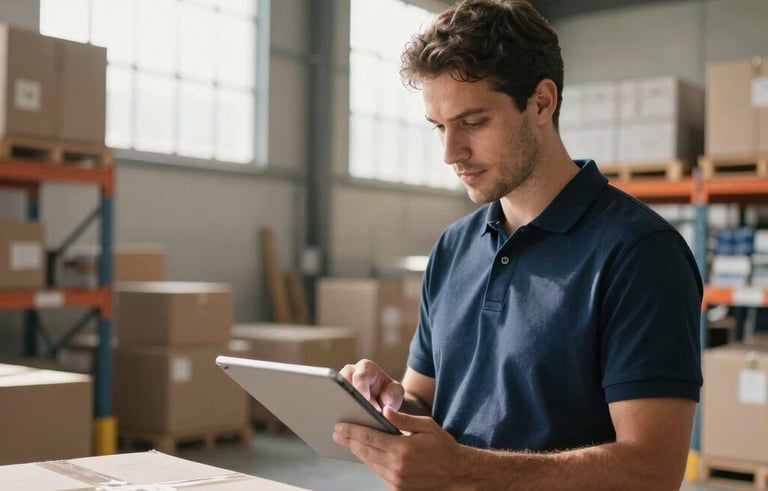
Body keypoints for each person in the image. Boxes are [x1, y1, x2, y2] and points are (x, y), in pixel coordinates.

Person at [332, 0, 703, 489]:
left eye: (472, 122)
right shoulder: (452, 248)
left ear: (541, 103)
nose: (450, 153)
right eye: (440, 127)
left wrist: (461, 467)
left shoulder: (640, 253)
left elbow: (651, 470)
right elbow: (427, 399)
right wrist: (387, 403)